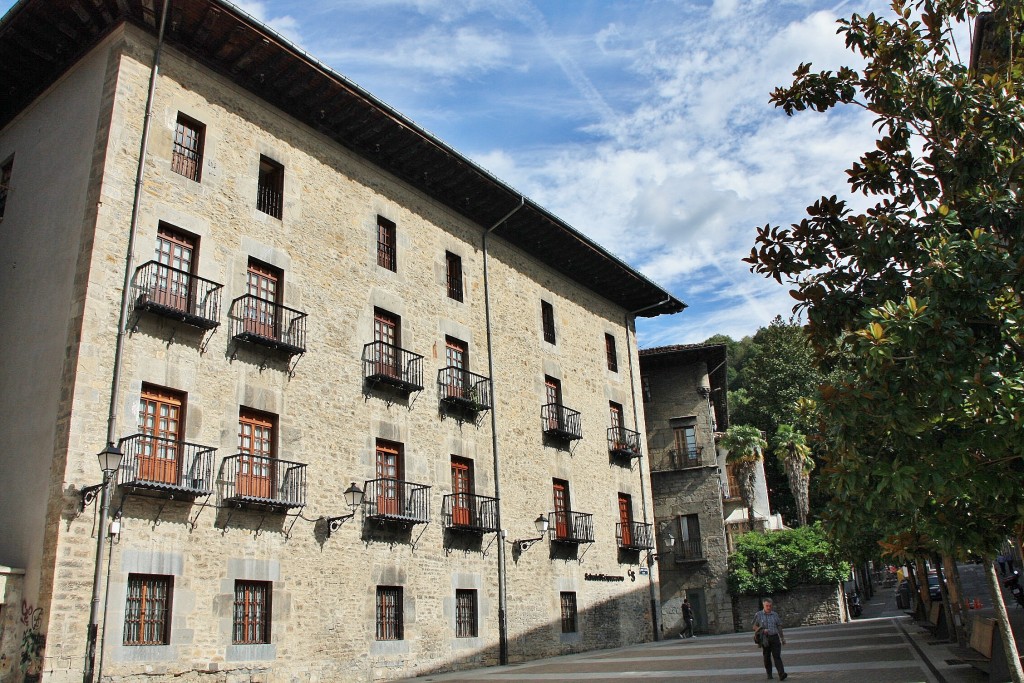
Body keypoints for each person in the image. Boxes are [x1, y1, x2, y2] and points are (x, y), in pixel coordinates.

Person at [753, 597, 787, 680]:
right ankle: (769, 674)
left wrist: (782, 638)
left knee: (777, 656)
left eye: (770, 606)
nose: (769, 607)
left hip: (775, 637)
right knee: (767, 656)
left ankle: (781, 674)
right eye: (767, 606)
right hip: (765, 638)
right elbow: (754, 626)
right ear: (763, 605)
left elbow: (779, 626)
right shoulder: (758, 614)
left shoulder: (775, 614)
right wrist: (762, 630)